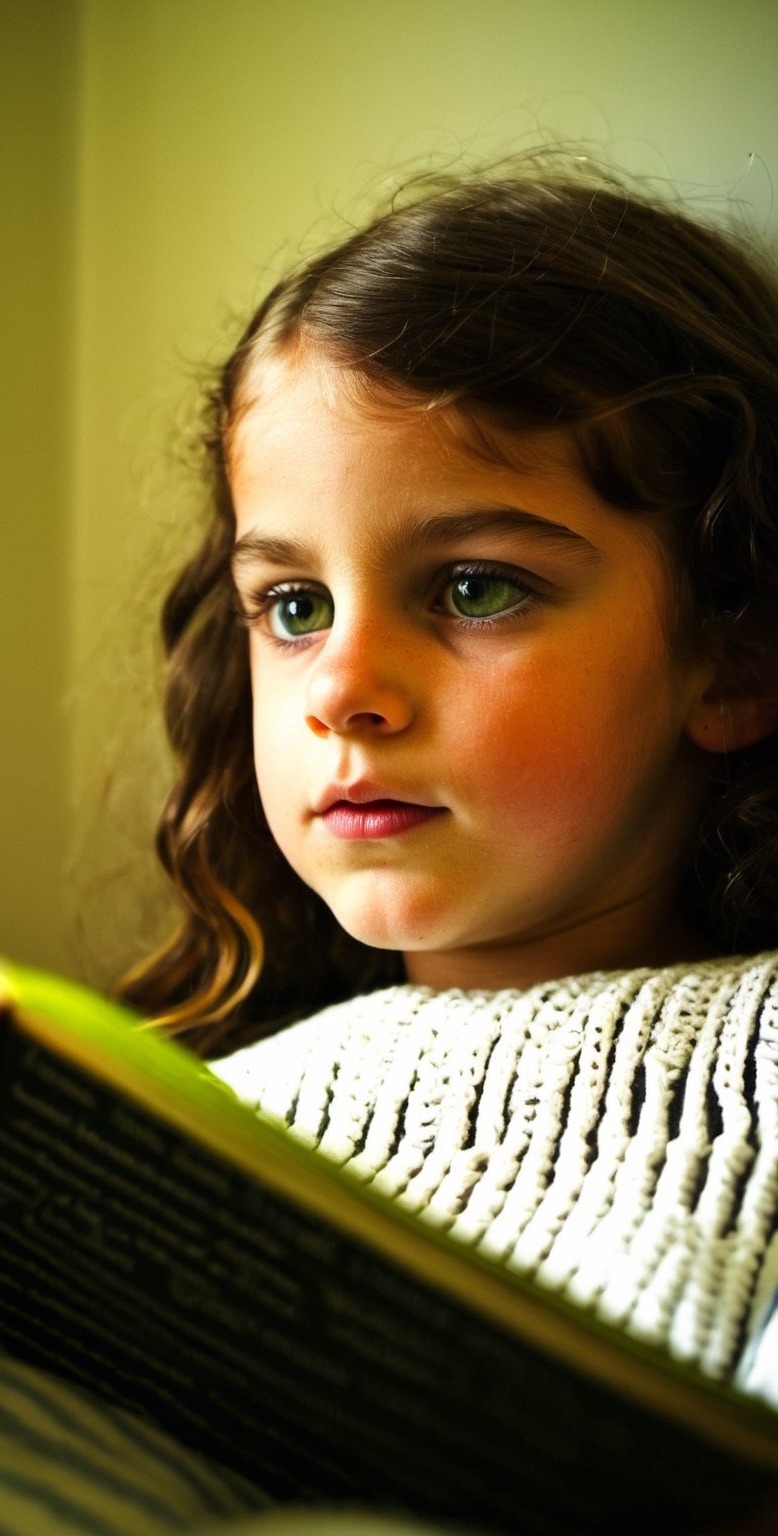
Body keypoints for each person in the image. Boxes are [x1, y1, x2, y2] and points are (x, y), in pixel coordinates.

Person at [115, 161, 778, 1534]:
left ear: (732, 652)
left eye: (474, 587)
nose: (340, 687)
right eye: (291, 604)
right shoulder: (180, 1112)